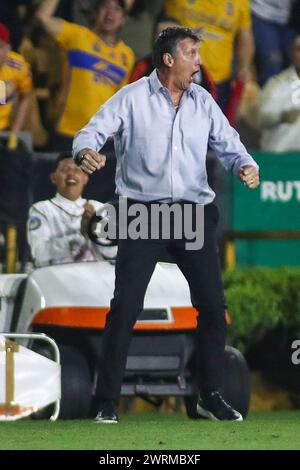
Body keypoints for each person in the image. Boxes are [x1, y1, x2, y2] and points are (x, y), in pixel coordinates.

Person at [73, 27, 259, 424]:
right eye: (192, 53)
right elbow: (91, 131)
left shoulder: (203, 101)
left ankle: (209, 396)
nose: (199, 60)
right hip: (142, 212)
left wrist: (245, 164)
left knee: (212, 306)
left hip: (192, 213)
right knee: (126, 306)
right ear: (169, 59)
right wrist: (87, 150)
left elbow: (230, 143)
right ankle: (105, 400)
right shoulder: (132, 97)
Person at [36, 0, 135, 150]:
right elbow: (43, 17)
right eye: (105, 7)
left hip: (101, 139)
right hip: (66, 132)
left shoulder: (127, 56)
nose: (110, 13)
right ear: (96, 12)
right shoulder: (77, 36)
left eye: (117, 9)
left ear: (123, 19)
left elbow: (120, 102)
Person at [163, 0, 255, 113]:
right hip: (179, 78)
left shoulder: (240, 2)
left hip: (219, 82)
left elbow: (245, 36)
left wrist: (244, 66)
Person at [27, 152, 116, 267]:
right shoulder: (41, 209)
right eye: (65, 170)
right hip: (56, 278)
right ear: (53, 178)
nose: (71, 174)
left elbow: (113, 252)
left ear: (85, 178)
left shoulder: (99, 208)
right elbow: (39, 253)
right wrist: (81, 235)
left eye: (77, 170)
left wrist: (95, 232)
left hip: (95, 278)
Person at [256, 35, 300, 152]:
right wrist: (281, 117)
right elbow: (260, 119)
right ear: (291, 53)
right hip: (279, 159)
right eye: (299, 49)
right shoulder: (275, 84)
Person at [251, 0, 296, 86]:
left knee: (290, 68)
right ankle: (266, 98)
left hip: (286, 18)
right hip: (261, 12)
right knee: (273, 67)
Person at [0, 22, 33, 136]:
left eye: (0, 46)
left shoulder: (18, 66)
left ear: (8, 48)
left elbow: (26, 96)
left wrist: (16, 131)